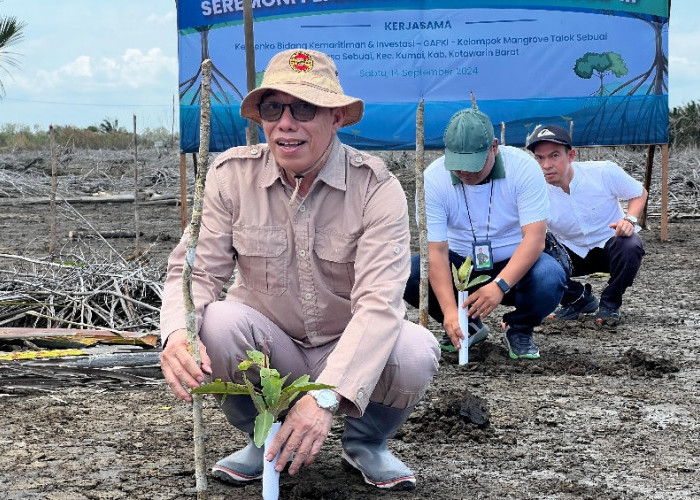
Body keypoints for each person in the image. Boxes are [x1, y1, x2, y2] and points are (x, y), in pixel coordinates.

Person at [159, 49, 439, 491]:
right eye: (274, 108)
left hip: (345, 346)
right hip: (273, 347)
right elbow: (195, 275)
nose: (286, 123)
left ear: (337, 118)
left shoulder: (377, 189)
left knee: (414, 349)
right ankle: (263, 436)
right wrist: (176, 333)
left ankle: (366, 442)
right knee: (213, 322)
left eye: (305, 108)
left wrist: (326, 395)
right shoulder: (231, 176)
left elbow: (379, 306)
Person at [404, 106, 567, 360]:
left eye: (474, 165)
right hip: (460, 265)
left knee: (550, 276)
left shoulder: (523, 168)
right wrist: (449, 311)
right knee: (411, 272)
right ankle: (466, 326)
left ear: (494, 147)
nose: (466, 173)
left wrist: (500, 285)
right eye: (458, 165)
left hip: (515, 263)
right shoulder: (433, 180)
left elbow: (535, 239)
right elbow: (436, 252)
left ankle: (519, 328)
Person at [527, 125, 647, 325]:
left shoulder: (603, 172)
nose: (546, 164)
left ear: (571, 155)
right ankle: (577, 298)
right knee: (529, 252)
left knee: (631, 244)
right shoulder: (533, 192)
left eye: (554, 156)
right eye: (540, 158)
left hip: (609, 245)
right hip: (569, 252)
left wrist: (629, 220)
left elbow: (639, 193)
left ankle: (610, 304)